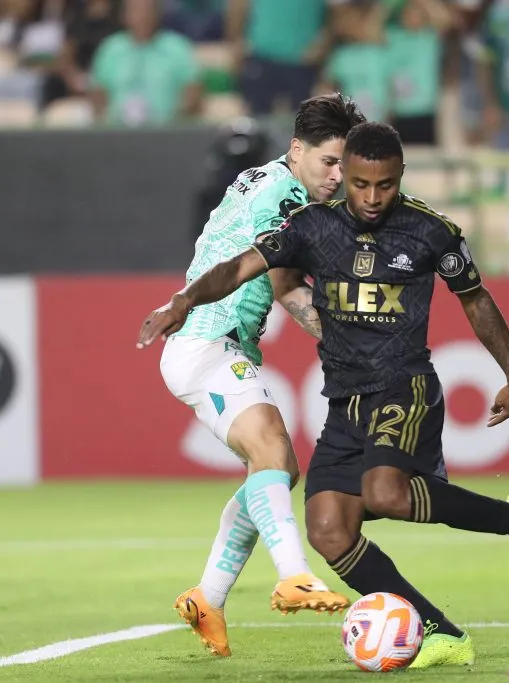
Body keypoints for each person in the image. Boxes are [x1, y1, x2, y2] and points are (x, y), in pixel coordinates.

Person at [137, 121, 509, 669]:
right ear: (344, 175)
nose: (373, 198)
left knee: (386, 493)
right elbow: (240, 267)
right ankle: (443, 633)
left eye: (386, 185)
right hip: (343, 401)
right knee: (329, 531)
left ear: (401, 177)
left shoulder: (430, 230)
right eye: (359, 184)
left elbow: (475, 297)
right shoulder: (308, 225)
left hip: (404, 385)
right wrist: (183, 300)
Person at [135, 93, 366, 658]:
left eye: (345, 166)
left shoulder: (267, 179)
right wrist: (358, 342)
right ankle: (292, 574)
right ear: (296, 150)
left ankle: (207, 597)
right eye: (329, 163)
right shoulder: (282, 194)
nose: (337, 177)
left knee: (277, 466)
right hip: (205, 341)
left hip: (217, 343)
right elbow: (286, 286)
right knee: (272, 449)